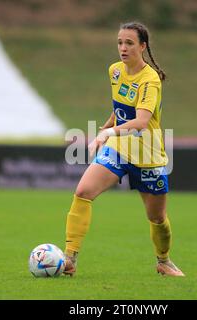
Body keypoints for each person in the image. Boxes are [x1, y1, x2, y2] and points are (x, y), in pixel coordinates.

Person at [63, 22, 184, 277]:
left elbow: (140, 122)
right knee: (83, 191)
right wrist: (104, 130)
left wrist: (108, 132)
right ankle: (69, 258)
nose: (123, 48)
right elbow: (120, 109)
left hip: (148, 154)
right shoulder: (115, 71)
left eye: (129, 43)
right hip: (119, 148)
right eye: (119, 42)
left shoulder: (150, 79)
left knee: (157, 218)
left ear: (143, 46)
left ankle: (163, 261)